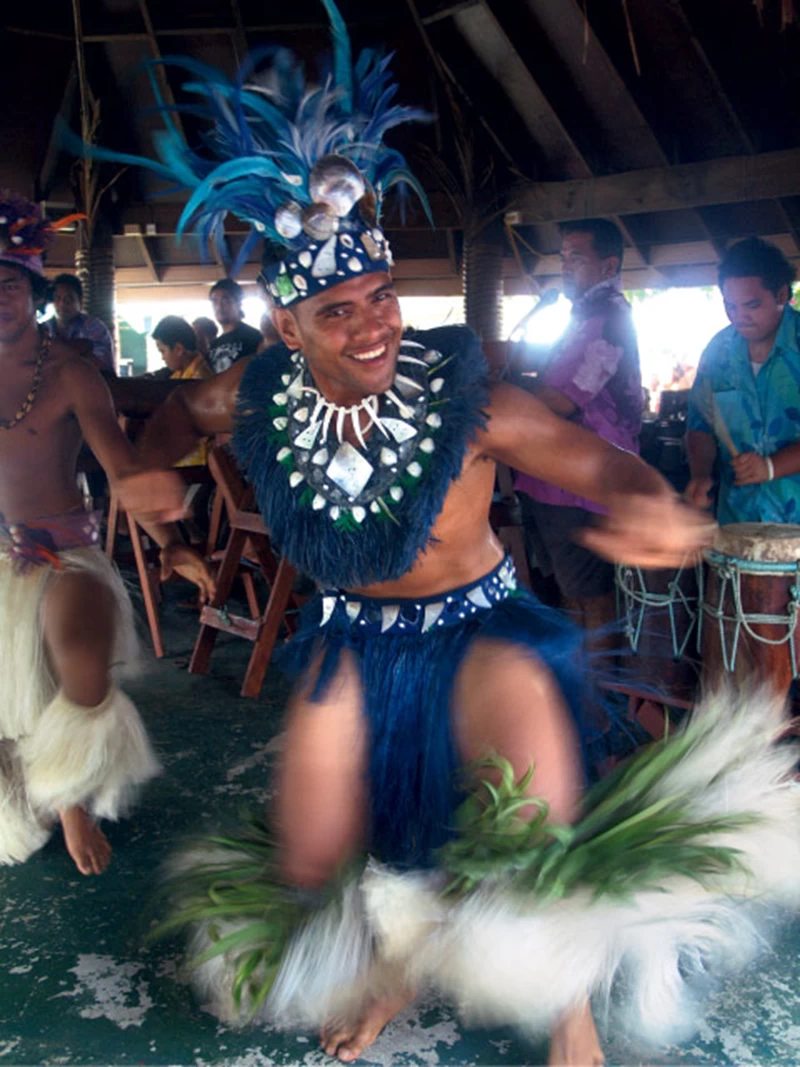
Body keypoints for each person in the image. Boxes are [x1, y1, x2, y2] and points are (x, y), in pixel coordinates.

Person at [107, 12, 729, 1063]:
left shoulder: (469, 396)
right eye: (339, 309)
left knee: (522, 825)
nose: (373, 323)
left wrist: (644, 495)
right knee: (317, 852)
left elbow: (594, 461)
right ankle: (399, 963)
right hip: (352, 636)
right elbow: (175, 418)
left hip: (483, 628)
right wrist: (145, 468)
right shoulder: (252, 396)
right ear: (287, 329)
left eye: (382, 294)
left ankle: (567, 1011)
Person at [0, 194, 212, 877]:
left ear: (32, 290)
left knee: (82, 669)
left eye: (6, 283)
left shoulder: (70, 373)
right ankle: (39, 787)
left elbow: (123, 468)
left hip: (65, 554)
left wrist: (168, 542)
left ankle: (71, 799)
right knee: (16, 700)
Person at [513, 219, 643, 635]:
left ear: (608, 266)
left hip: (582, 482)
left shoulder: (607, 318)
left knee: (592, 599)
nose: (565, 266)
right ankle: (581, 690)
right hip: (557, 480)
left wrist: (504, 406)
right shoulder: (582, 315)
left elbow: (562, 400)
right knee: (573, 597)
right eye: (563, 256)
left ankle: (597, 695)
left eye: (577, 257)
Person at [686, 237, 800, 524]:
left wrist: (772, 467)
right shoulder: (718, 353)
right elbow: (700, 426)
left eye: (751, 305)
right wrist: (700, 475)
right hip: (739, 522)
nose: (739, 317)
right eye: (730, 306)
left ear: (782, 294)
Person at [151, 315, 212, 468]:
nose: (162, 358)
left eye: (162, 351)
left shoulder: (198, 380)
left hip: (196, 461)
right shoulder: (180, 375)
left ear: (178, 349)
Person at [43, 272, 116, 376]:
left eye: (68, 299)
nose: (62, 304)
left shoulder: (94, 327)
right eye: (57, 298)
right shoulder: (43, 329)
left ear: (80, 301)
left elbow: (101, 365)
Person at [207, 278, 263, 373]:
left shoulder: (254, 337)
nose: (219, 306)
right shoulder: (213, 345)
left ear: (238, 303)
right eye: (214, 301)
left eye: (225, 300)